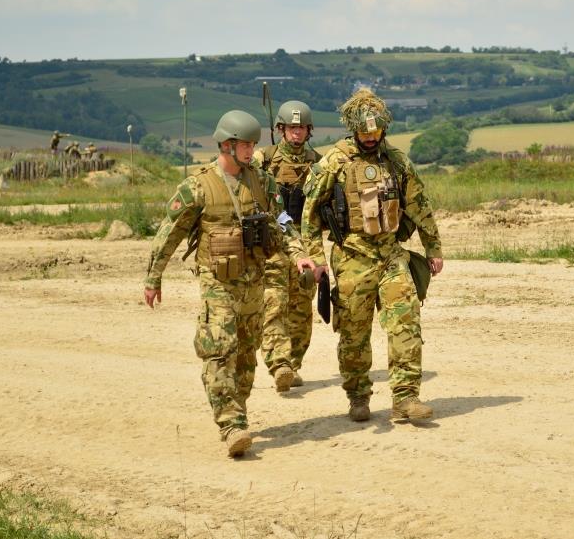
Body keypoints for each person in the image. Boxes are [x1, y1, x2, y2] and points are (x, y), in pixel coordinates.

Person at [143, 110, 312, 457]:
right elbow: (169, 233)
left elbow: (281, 220)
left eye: (252, 144)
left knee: (247, 356)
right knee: (219, 350)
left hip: (254, 284)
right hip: (217, 284)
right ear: (226, 144)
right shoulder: (197, 187)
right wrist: (153, 277)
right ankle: (230, 423)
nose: (250, 150)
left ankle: (239, 412)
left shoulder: (262, 182)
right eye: (244, 144)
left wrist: (299, 253)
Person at [298, 88, 443, 423]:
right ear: (353, 129)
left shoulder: (396, 161)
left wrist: (433, 247)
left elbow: (420, 206)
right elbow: (309, 215)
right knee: (353, 333)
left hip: (392, 255)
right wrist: (318, 261)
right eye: (364, 132)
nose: (369, 138)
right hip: (352, 256)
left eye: (375, 132)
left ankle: (406, 398)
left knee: (406, 323)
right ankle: (358, 395)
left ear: (383, 129)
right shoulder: (335, 162)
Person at [252, 100, 320, 392]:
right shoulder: (263, 159)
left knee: (302, 311)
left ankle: (293, 363)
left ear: (308, 130)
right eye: (291, 128)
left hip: (305, 245)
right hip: (273, 246)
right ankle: (279, 363)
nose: (296, 133)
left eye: (301, 127)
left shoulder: (318, 162)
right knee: (273, 305)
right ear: (280, 128)